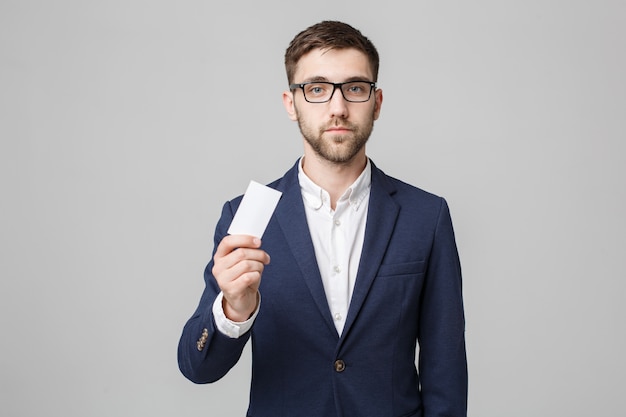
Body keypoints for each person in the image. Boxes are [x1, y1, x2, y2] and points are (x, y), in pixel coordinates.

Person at [178, 20, 467, 417]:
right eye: (316, 89)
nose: (337, 108)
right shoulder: (247, 215)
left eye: (354, 88)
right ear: (290, 103)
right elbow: (198, 368)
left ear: (377, 102)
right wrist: (233, 309)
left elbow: (445, 372)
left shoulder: (426, 216)